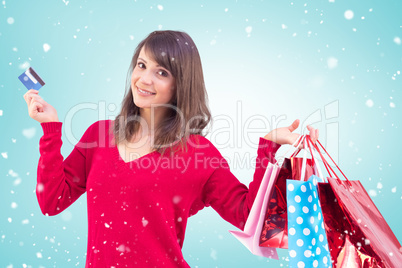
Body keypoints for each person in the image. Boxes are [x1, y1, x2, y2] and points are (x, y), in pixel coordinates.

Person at [23, 30, 319, 267]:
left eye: (161, 72)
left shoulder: (199, 154)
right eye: (141, 65)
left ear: (181, 84)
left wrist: (267, 149)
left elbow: (250, 217)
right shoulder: (99, 135)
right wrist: (50, 129)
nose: (144, 79)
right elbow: (52, 201)